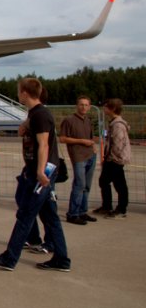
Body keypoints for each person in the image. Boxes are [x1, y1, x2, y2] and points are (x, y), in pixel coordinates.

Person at [0, 77, 70, 272]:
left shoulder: (40, 115)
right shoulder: (34, 114)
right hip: (38, 170)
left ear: (24, 93)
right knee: (50, 217)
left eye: (18, 91)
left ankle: (10, 258)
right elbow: (22, 132)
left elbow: (44, 144)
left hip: (40, 172)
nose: (17, 94)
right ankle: (62, 259)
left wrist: (40, 171)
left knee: (25, 215)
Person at [60, 95, 99, 224]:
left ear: (89, 107)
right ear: (77, 106)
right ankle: (73, 213)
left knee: (86, 185)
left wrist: (93, 146)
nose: (84, 107)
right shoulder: (69, 120)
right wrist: (81, 141)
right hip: (78, 156)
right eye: (81, 104)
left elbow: (91, 137)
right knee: (79, 185)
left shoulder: (88, 120)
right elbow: (63, 138)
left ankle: (82, 211)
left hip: (90, 155)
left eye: (86, 105)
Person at [95, 98, 130, 219]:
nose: (104, 109)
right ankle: (107, 205)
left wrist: (111, 158)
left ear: (112, 109)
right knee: (105, 181)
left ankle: (121, 208)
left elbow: (118, 145)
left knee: (118, 184)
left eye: (106, 107)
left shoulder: (118, 125)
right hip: (112, 158)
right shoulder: (114, 123)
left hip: (115, 159)